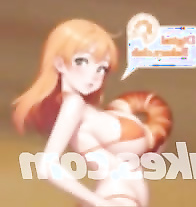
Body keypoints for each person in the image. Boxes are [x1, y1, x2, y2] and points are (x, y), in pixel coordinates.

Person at [13, 19, 173, 207]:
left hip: (121, 192)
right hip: (117, 194)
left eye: (102, 68)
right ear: (60, 63)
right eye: (82, 61)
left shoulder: (79, 108)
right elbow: (47, 167)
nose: (93, 75)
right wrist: (99, 202)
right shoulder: (73, 105)